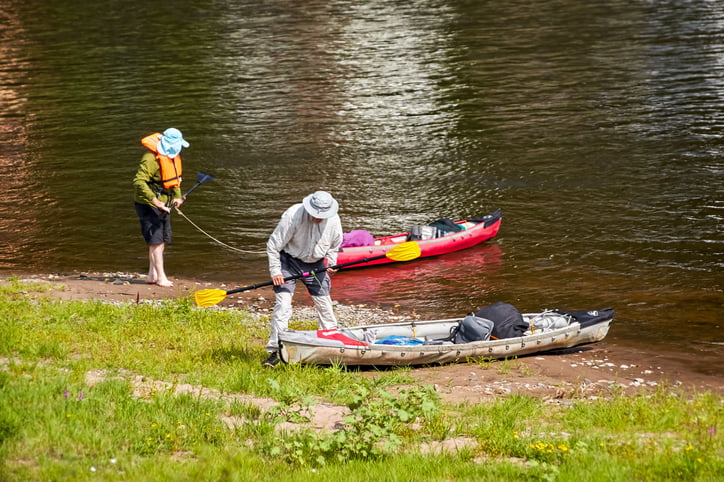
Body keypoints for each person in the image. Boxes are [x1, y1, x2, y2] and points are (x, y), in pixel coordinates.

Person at [263, 191, 343, 367]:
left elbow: (335, 246)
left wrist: (331, 262)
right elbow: (273, 246)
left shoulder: (334, 220)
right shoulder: (293, 215)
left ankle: (330, 346)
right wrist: (276, 271)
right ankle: (275, 351)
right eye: (315, 214)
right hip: (288, 261)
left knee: (325, 306)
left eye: (321, 216)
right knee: (283, 305)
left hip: (316, 265)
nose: (317, 218)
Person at [132, 128, 189, 287]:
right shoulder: (150, 159)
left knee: (159, 239)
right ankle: (161, 277)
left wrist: (177, 196)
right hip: (148, 204)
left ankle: (152, 275)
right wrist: (156, 202)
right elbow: (138, 182)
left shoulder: (171, 157)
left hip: (165, 203)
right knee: (156, 241)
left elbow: (174, 180)